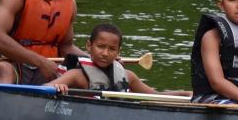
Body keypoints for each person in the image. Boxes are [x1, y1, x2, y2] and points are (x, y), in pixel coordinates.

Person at [58, 23, 191, 96]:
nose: (105, 53)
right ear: (89, 46)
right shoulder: (76, 75)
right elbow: (45, 88)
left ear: (118, 52)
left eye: (112, 49)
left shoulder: (128, 76)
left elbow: (156, 95)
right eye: (100, 47)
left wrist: (184, 94)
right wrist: (59, 86)